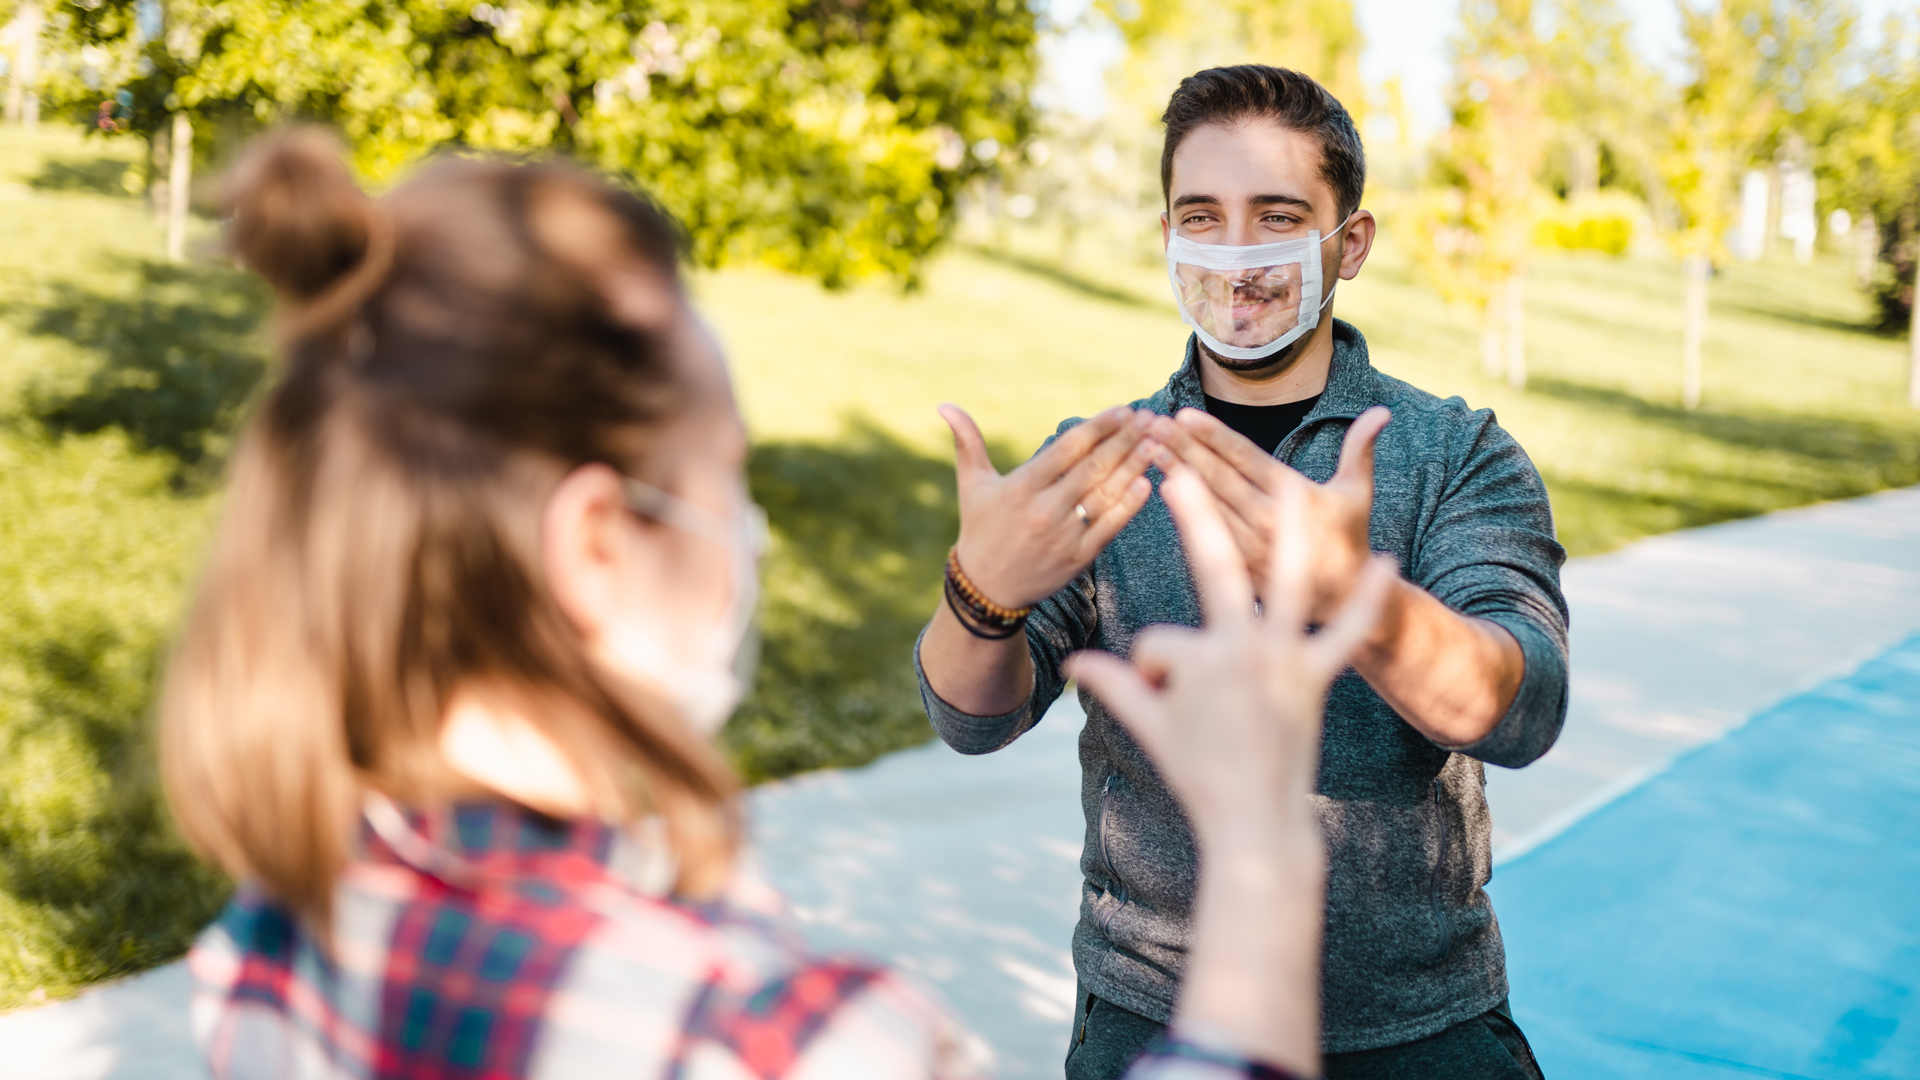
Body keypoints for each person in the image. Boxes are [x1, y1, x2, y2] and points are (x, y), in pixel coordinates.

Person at [162, 129, 1392, 1080]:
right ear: (598, 544)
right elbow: (970, 711)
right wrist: (1261, 849)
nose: (747, 531)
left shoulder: (271, 936)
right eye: (725, 473)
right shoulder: (781, 1035)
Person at [916, 65, 1567, 1080]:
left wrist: (1363, 601)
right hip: (1151, 1022)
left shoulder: (1454, 452)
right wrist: (980, 594)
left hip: (1421, 1030)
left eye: (1276, 217)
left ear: (1349, 245)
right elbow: (972, 719)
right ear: (1168, 239)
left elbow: (1524, 708)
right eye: (1202, 217)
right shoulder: (1102, 461)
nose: (1240, 259)